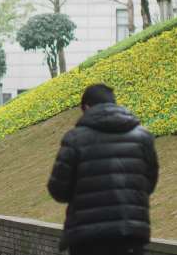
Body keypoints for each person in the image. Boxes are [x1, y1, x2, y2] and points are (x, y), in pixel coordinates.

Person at [47, 84, 159, 255]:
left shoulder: (75, 139)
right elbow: (149, 182)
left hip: (87, 238)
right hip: (130, 233)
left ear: (86, 107)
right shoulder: (143, 137)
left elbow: (58, 190)